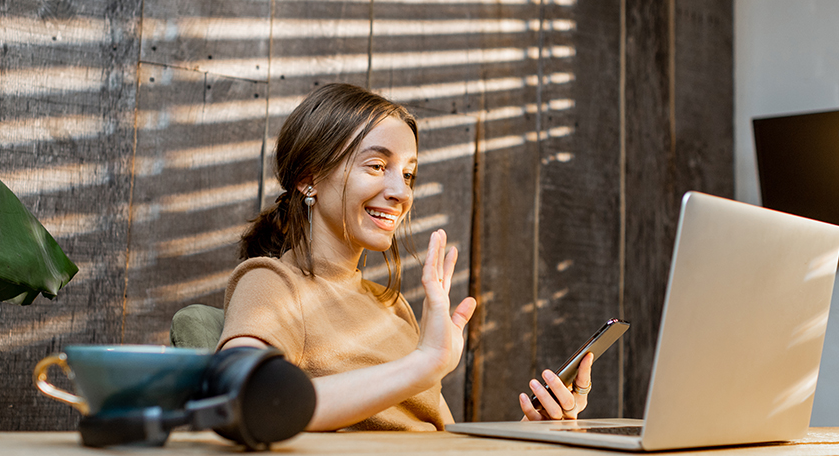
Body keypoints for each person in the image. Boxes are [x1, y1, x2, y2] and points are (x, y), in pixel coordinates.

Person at [218, 83, 592, 431]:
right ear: (308, 177)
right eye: (378, 166)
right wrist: (425, 362)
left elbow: (441, 439)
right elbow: (248, 399)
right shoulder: (271, 282)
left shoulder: (393, 308)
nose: (402, 192)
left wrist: (538, 428)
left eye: (409, 174)